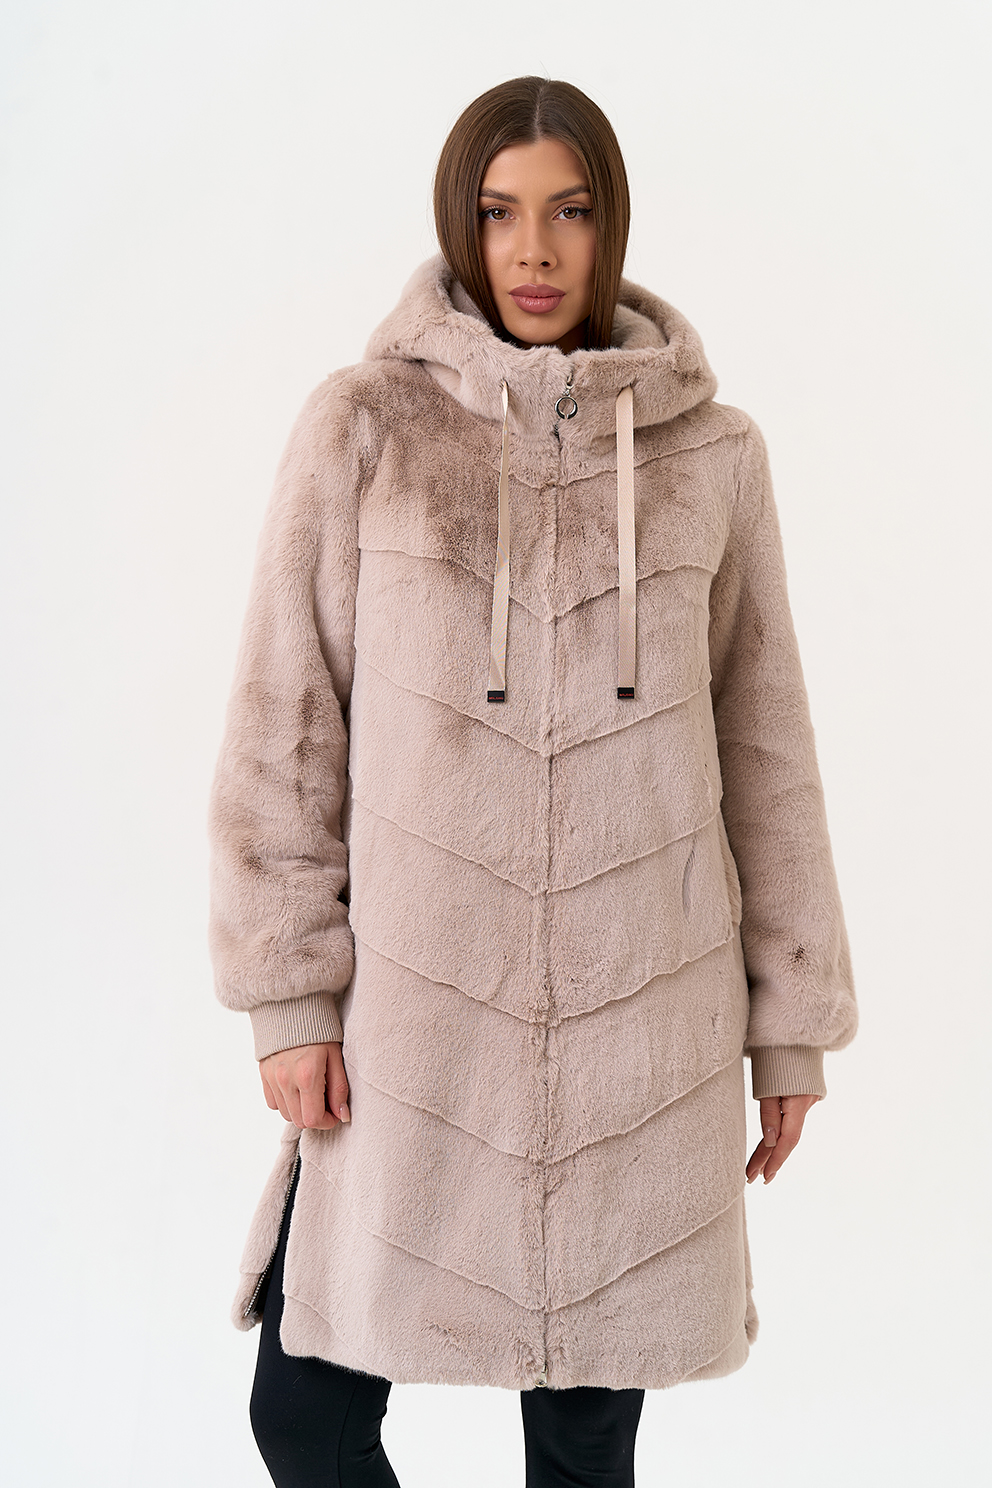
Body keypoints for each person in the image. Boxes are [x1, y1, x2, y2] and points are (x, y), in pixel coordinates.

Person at [207, 75, 857, 1488]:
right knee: (305, 1414)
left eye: (569, 212)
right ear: (462, 224)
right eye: (502, 214)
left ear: (611, 223)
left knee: (581, 1449)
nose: (536, 251)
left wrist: (790, 1029)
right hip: (413, 1034)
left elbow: (767, 750)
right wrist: (288, 998)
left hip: (644, 1031)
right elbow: (283, 724)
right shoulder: (365, 428)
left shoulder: (713, 455)